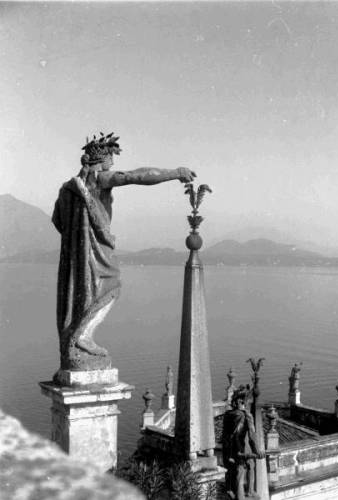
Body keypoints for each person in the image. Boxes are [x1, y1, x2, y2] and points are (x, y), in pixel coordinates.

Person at [52, 133, 196, 373]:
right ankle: (82, 338)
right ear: (101, 159)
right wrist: (175, 172)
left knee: (83, 291)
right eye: (110, 157)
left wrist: (78, 237)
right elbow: (136, 176)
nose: (113, 162)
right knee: (110, 284)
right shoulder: (99, 179)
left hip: (76, 253)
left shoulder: (68, 189)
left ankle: (78, 339)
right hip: (96, 249)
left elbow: (57, 220)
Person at [222, 385, 266, 499]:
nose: (248, 404)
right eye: (247, 401)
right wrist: (258, 451)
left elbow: (225, 435)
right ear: (241, 401)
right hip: (242, 449)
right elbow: (252, 436)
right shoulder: (247, 416)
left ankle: (239, 494)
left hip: (231, 450)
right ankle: (249, 492)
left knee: (239, 472)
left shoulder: (227, 415)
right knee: (248, 467)